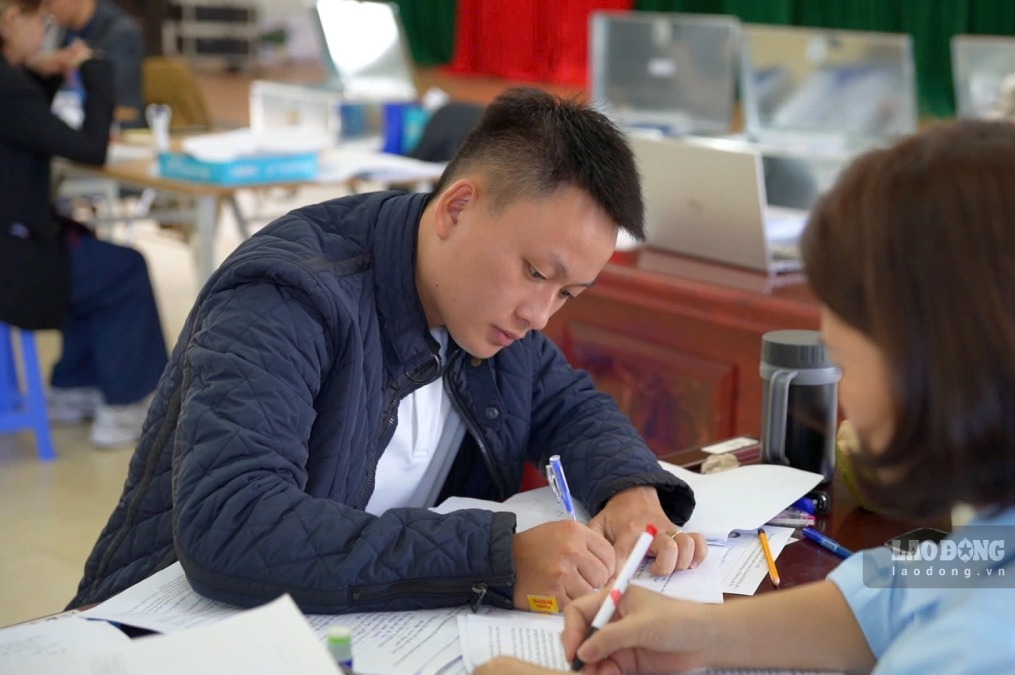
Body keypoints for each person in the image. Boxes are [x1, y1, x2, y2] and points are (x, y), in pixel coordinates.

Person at [476, 120, 1015, 674]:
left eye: (846, 363)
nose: (844, 402)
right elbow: (909, 586)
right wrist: (692, 630)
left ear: (940, 373)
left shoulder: (999, 648)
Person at [68, 87, 709, 614]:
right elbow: (233, 521)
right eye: (537, 273)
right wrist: (496, 558)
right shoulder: (287, 294)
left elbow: (568, 406)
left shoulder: (490, 315)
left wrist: (629, 490)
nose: (539, 314)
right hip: (161, 632)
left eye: (567, 293)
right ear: (457, 209)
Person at [0, 0, 168, 448]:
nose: (44, 34)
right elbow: (92, 148)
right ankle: (125, 407)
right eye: (41, 22)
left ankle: (73, 386)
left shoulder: (12, 83)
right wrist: (95, 70)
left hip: (17, 243)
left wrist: (44, 72)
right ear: (12, 21)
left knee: (87, 249)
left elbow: (28, 126)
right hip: (15, 265)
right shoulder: (8, 87)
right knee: (124, 269)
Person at [39, 0, 143, 127]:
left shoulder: (121, 31)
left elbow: (107, 90)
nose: (45, 10)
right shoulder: (64, 30)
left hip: (117, 129)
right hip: (71, 122)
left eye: (49, 2)